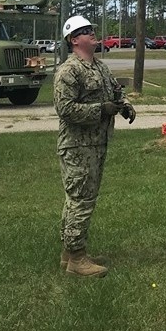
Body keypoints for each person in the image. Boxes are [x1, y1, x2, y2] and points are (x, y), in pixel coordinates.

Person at [54, 15, 136, 278]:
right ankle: (77, 259)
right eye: (85, 31)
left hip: (96, 144)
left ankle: (70, 252)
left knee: (78, 197)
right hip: (77, 146)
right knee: (81, 200)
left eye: (92, 29)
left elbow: (114, 92)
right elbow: (65, 109)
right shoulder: (69, 70)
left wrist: (124, 106)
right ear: (74, 40)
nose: (92, 34)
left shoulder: (99, 67)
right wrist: (101, 110)